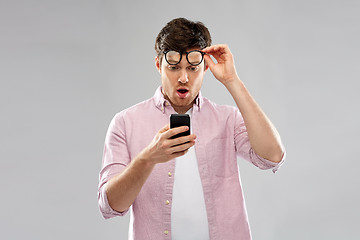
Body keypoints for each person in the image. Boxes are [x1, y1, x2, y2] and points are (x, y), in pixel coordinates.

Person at [98, 18, 285, 240]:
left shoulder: (228, 118)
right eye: (174, 68)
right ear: (159, 65)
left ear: (205, 67)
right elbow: (109, 205)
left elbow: (273, 156)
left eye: (193, 68)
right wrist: (147, 159)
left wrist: (232, 80)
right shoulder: (125, 122)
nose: (184, 78)